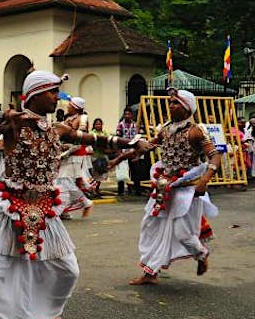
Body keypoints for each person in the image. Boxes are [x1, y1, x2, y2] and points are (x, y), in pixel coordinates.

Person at [0, 71, 144, 319]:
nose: (56, 98)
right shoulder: (15, 126)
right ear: (35, 94)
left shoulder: (58, 129)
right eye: (52, 93)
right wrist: (17, 116)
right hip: (11, 209)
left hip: (46, 209)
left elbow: (97, 139)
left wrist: (130, 143)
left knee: (67, 270)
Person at [112, 89, 222, 286]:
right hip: (164, 187)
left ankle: (201, 253)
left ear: (187, 107)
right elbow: (147, 146)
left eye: (176, 103)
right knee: (149, 226)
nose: (171, 106)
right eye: (171, 103)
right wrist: (122, 156)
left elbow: (215, 156)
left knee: (182, 232)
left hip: (187, 188)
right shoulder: (165, 129)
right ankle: (150, 272)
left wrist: (204, 180)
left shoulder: (197, 130)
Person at [57, 96, 94, 217]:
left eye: (70, 105)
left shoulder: (82, 117)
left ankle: (85, 202)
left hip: (76, 153)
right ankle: (63, 210)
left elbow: (80, 136)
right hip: (67, 152)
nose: (67, 107)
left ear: (76, 108)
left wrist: (67, 147)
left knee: (64, 181)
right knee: (59, 182)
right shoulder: (70, 118)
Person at [115, 107, 138, 196]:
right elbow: (117, 138)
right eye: (126, 114)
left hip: (132, 150)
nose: (127, 116)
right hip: (123, 151)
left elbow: (137, 137)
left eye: (129, 114)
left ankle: (132, 188)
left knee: (133, 170)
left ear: (131, 115)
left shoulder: (135, 125)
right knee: (122, 170)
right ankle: (120, 190)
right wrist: (119, 151)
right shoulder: (120, 125)